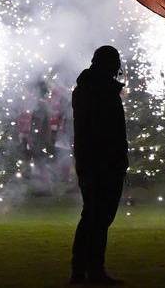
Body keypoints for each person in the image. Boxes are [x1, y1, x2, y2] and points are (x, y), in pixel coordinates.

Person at [70, 46, 128, 286]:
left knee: (93, 216)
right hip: (103, 162)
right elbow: (107, 131)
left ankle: (83, 270)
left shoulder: (87, 88)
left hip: (92, 161)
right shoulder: (101, 90)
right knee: (98, 217)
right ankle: (92, 269)